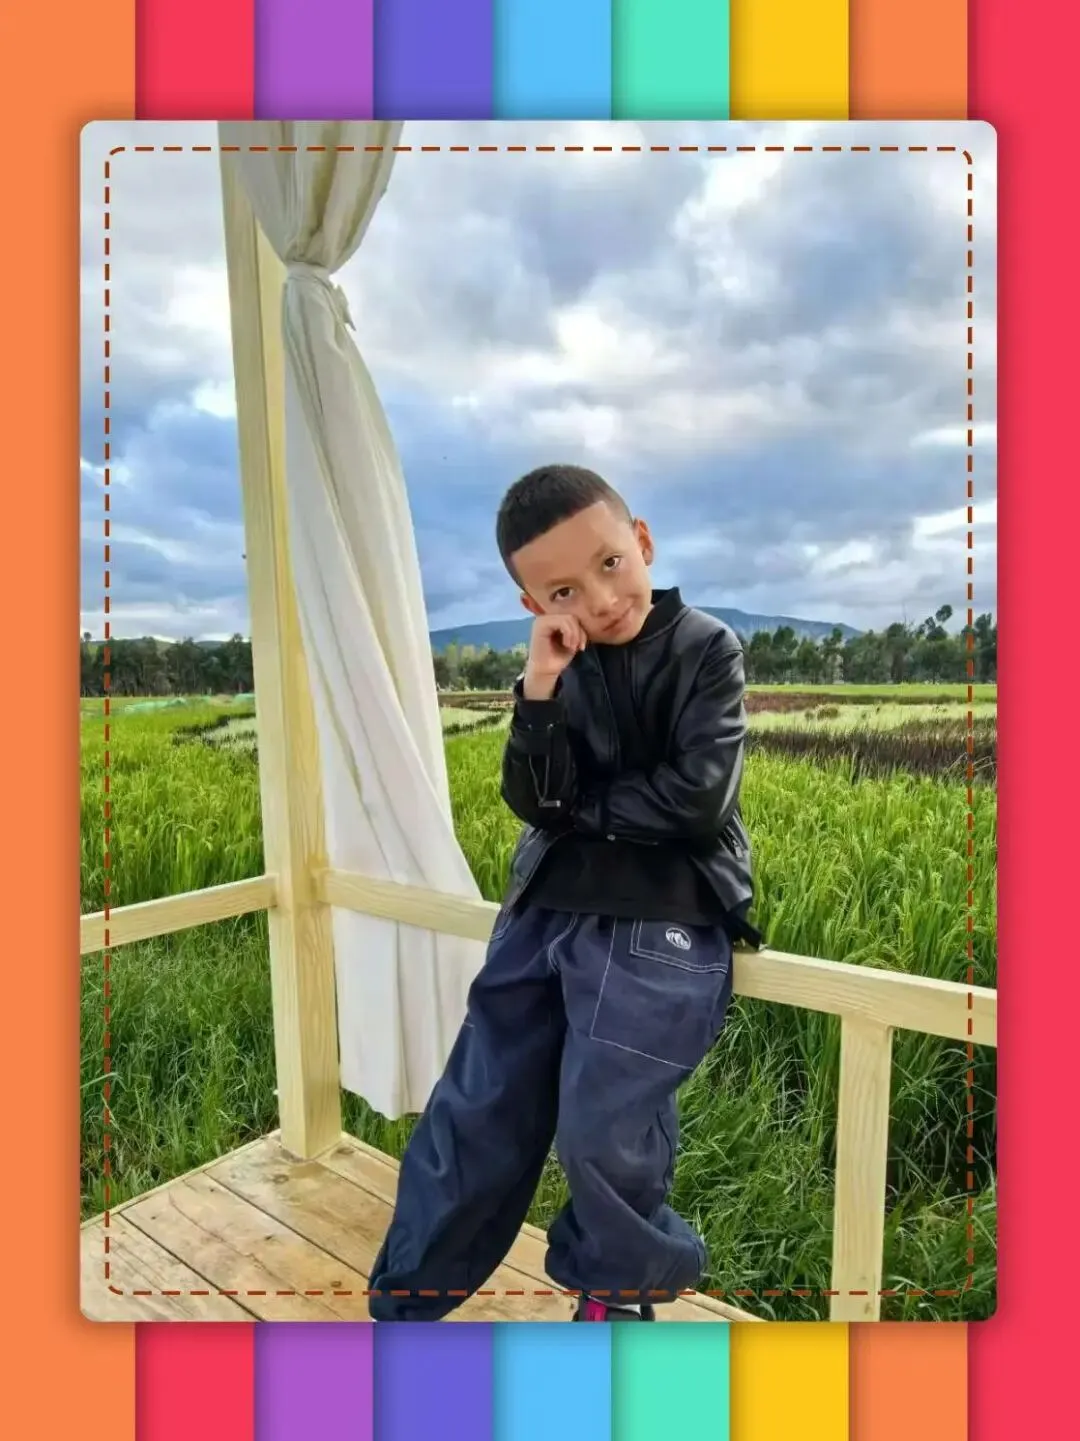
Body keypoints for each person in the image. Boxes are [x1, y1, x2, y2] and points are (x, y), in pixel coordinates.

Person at [368, 463, 760, 1322]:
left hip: (663, 911)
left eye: (611, 564)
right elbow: (529, 796)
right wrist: (540, 689)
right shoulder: (559, 665)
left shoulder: (707, 648)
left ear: (642, 541)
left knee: (602, 1125)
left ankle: (615, 1302)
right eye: (564, 591)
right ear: (534, 604)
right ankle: (406, 1301)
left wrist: (576, 811)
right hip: (545, 906)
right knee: (475, 1108)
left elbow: (697, 799)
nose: (601, 600)